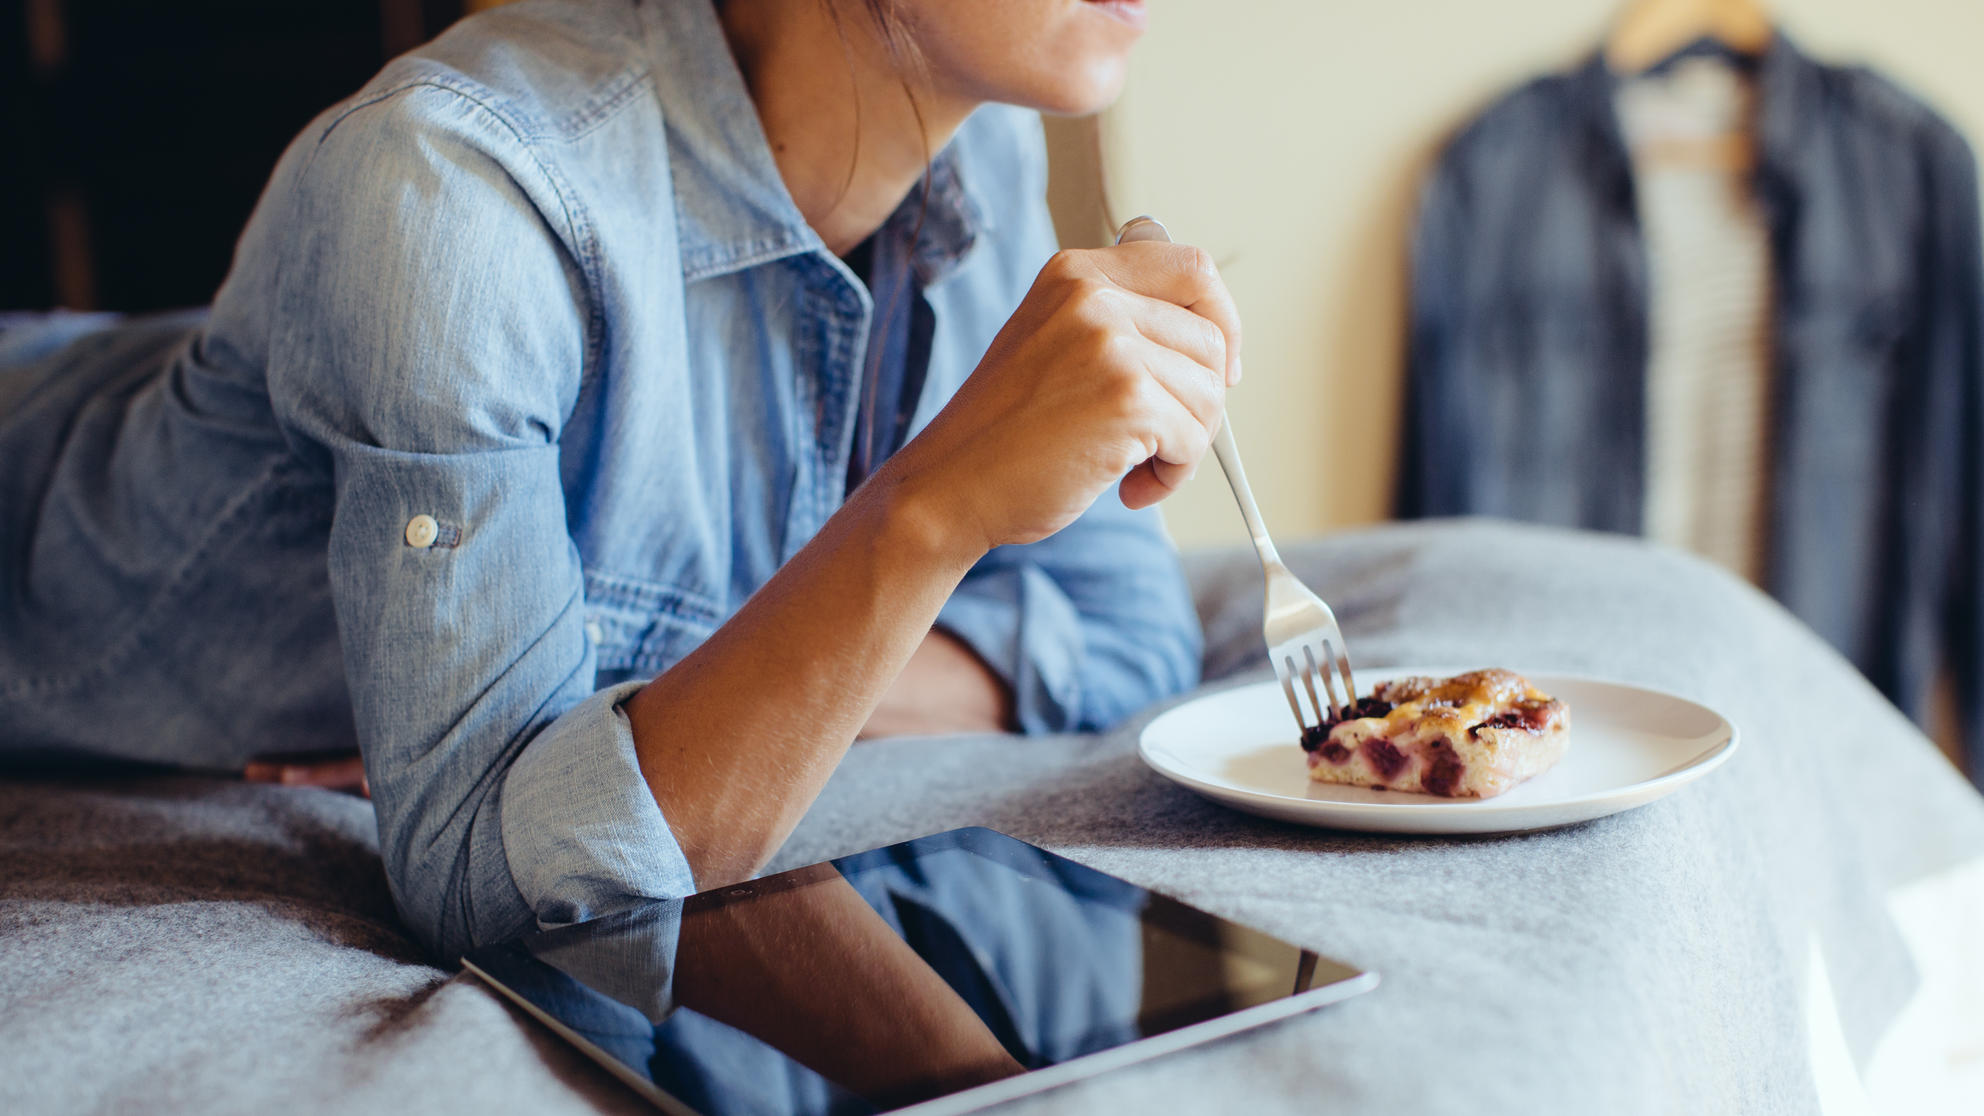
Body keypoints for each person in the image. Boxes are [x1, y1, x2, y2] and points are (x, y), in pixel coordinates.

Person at [0, 0, 1237, 961]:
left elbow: (1126, 632)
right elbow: (490, 882)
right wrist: (928, 518)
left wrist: (684, 696)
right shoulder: (453, 196)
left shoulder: (982, 145)